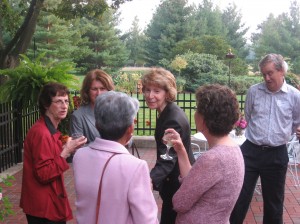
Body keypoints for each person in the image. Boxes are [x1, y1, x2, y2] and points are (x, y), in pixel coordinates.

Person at [230, 53, 300, 224]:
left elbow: (297, 122)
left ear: (281, 71)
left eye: (270, 73)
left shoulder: (295, 96)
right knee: (239, 199)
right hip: (250, 151)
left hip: (277, 154)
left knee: (274, 205)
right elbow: (249, 115)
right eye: (263, 74)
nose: (266, 78)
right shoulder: (254, 91)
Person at [73, 91, 158, 224]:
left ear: (97, 125)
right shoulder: (136, 166)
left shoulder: (79, 156)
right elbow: (147, 220)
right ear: (130, 128)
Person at [167, 84, 245, 224]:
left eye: (197, 109)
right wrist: (181, 151)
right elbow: (195, 181)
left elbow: (179, 203)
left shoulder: (213, 158)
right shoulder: (233, 149)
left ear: (204, 120)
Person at [20, 82, 87, 224]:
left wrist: (66, 147)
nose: (64, 106)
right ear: (46, 104)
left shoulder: (48, 129)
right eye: (58, 101)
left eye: (66, 101)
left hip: (47, 204)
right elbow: (44, 174)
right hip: (43, 208)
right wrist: (66, 151)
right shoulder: (41, 133)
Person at [141, 67, 195, 224]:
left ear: (167, 93)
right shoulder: (168, 111)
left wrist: (148, 181)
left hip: (177, 184)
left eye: (156, 91)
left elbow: (168, 158)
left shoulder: (172, 119)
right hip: (173, 182)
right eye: (147, 90)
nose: (150, 96)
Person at [70, 69, 114, 144]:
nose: (99, 93)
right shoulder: (78, 116)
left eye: (102, 89)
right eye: (94, 89)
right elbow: (76, 148)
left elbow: (128, 141)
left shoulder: (116, 112)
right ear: (87, 91)